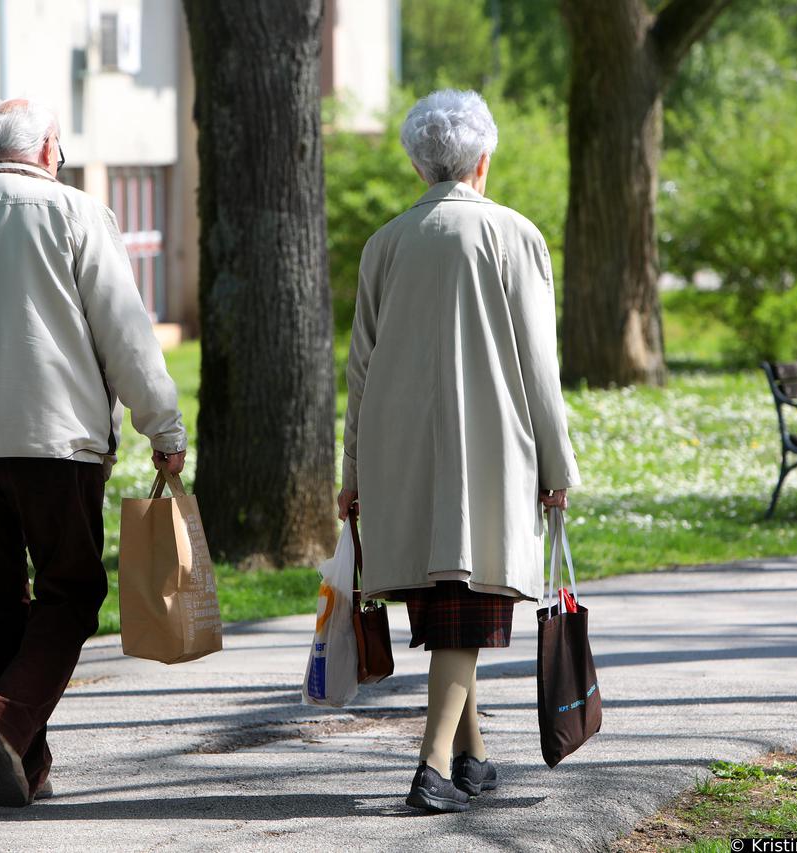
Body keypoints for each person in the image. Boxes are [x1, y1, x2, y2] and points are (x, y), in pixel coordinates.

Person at [0, 98, 187, 807]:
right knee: (72, 592)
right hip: (58, 443)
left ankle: (25, 759)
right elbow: (126, 335)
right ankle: (5, 720)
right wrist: (163, 427)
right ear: (50, 146)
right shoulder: (78, 214)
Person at [337, 89, 580, 813]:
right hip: (490, 448)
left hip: (398, 451)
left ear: (419, 163)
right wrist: (557, 464)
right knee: (465, 606)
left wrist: (351, 472)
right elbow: (541, 365)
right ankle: (434, 764)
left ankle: (473, 756)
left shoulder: (384, 244)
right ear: (483, 159)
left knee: (448, 605)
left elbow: (359, 371)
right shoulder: (515, 235)